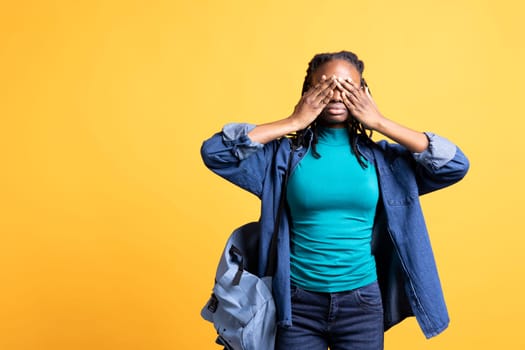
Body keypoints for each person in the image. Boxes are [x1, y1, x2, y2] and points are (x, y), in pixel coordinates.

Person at [201, 51, 469, 350]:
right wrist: (294, 120)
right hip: (296, 304)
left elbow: (455, 165)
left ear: (364, 93)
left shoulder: (384, 160)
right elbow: (215, 153)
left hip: (362, 304)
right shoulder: (282, 157)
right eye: (325, 86)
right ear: (308, 93)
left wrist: (379, 121)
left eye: (348, 86)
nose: (336, 95)